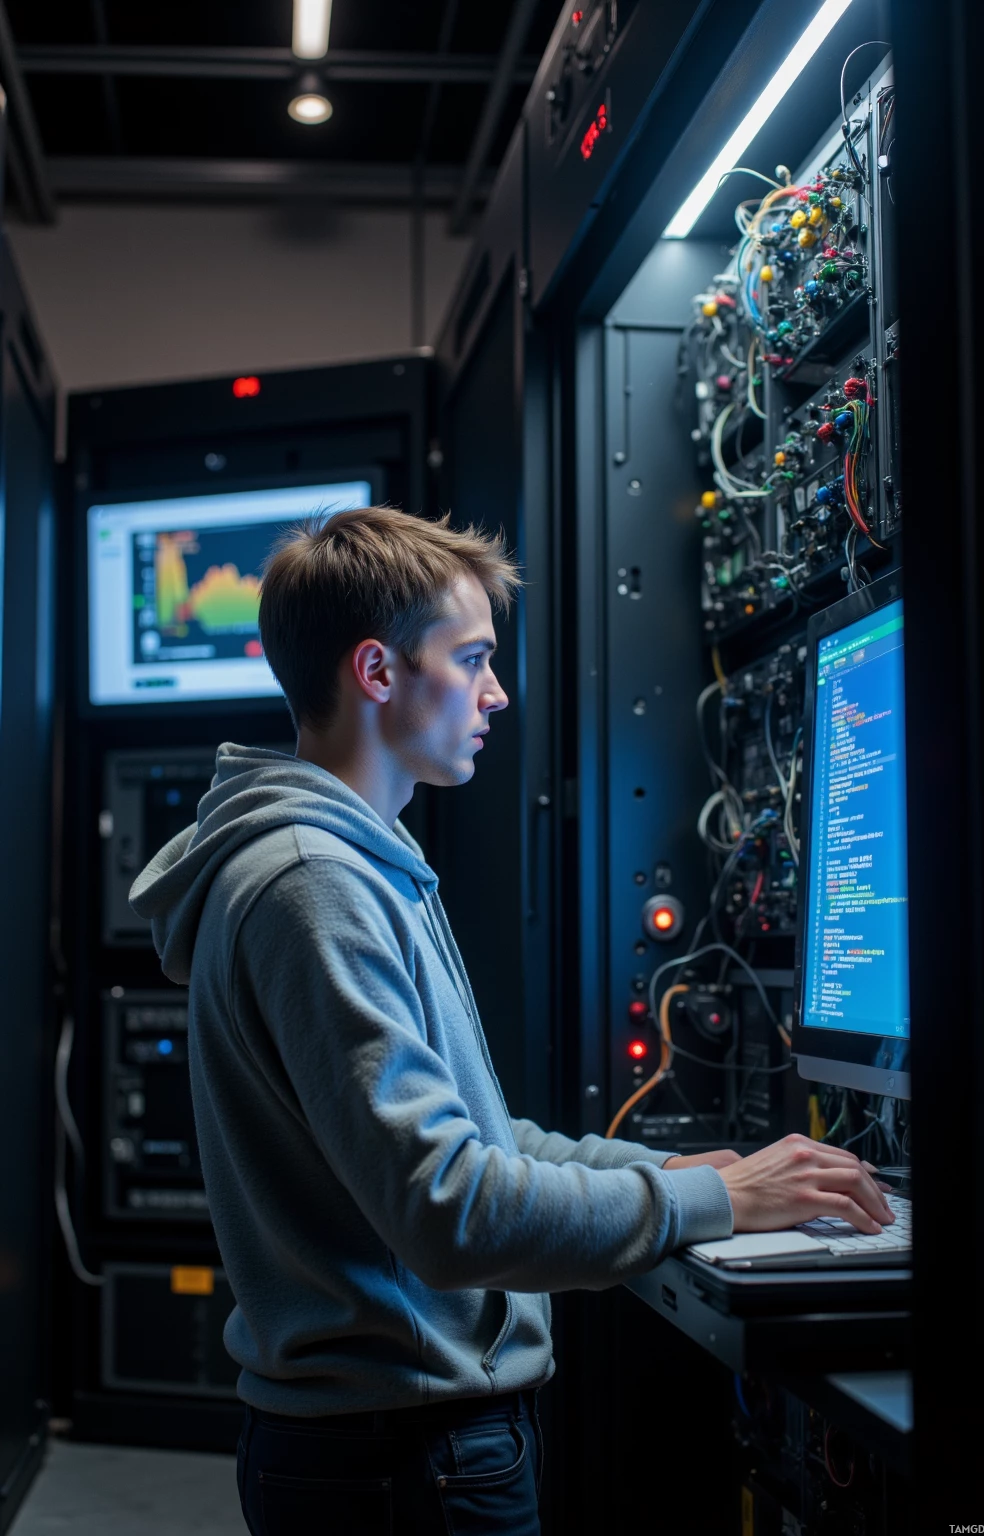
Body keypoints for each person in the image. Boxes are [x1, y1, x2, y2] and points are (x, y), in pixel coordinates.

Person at [130, 506, 893, 1536]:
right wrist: (714, 1204)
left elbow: (479, 1143)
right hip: (401, 1458)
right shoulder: (317, 884)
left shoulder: (360, 866)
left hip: (393, 1446)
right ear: (378, 672)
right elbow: (447, 1209)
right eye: (473, 657)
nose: (496, 693)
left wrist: (669, 1176)